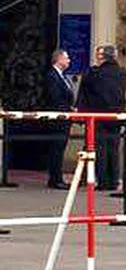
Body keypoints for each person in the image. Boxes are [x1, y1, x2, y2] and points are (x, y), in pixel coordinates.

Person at [76, 45, 126, 192]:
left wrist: (81, 112)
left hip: (97, 117)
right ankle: (113, 180)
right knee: (114, 149)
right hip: (115, 117)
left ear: (101, 57)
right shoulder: (121, 73)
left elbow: (84, 94)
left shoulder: (94, 73)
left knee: (99, 150)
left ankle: (103, 180)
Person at [42, 49, 74, 189]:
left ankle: (56, 178)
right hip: (58, 119)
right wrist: (68, 109)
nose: (69, 61)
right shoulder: (52, 76)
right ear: (59, 59)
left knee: (60, 148)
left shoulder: (62, 76)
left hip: (64, 117)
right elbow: (54, 98)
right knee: (56, 149)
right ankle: (55, 179)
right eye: (66, 58)